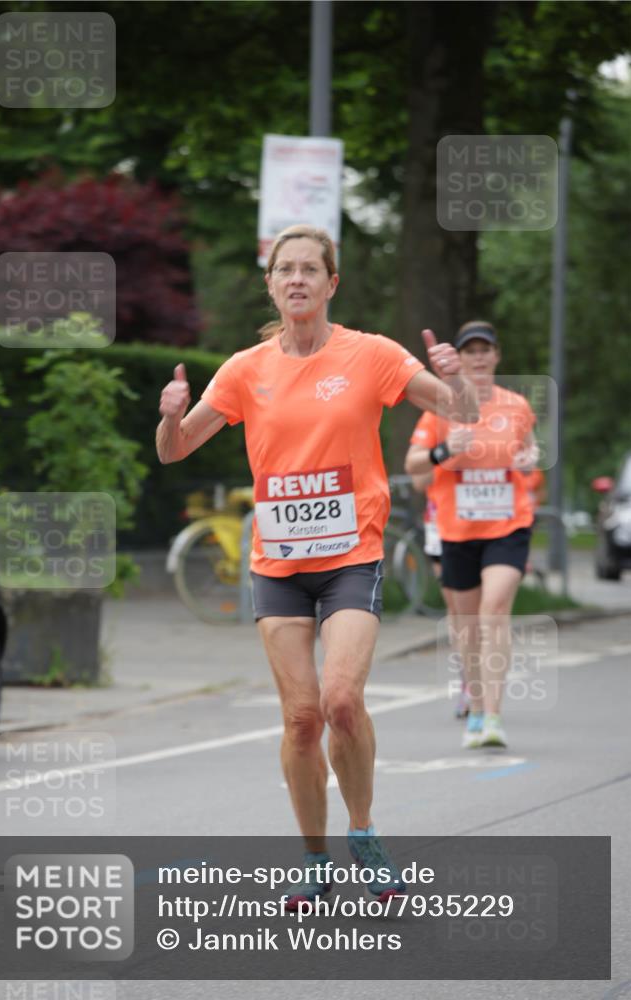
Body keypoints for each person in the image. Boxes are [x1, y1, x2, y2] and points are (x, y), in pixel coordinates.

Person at [156, 224, 478, 907]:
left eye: (310, 269)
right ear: (270, 284)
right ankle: (312, 858)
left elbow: (459, 415)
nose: (296, 279)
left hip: (351, 556)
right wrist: (170, 416)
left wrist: (457, 382)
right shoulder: (246, 368)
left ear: (331, 283)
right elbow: (174, 451)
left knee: (339, 701)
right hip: (277, 565)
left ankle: (362, 833)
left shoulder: (372, 356)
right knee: (300, 717)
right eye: (284, 269)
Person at [405, 320, 538, 750]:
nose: (479, 357)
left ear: (497, 356)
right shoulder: (439, 410)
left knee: (494, 610)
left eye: (486, 350)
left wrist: (530, 460)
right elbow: (414, 467)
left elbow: (530, 458)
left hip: (508, 524)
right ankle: (477, 709)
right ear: (459, 360)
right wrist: (446, 450)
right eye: (470, 351)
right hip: (457, 528)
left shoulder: (517, 406)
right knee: (466, 628)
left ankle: (495, 716)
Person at [409, 464, 469, 718]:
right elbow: (418, 480)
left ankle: (488, 676)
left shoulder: (499, 427)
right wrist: (444, 455)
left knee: (488, 609)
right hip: (442, 523)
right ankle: (469, 683)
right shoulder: (437, 427)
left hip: (490, 526)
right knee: (456, 610)